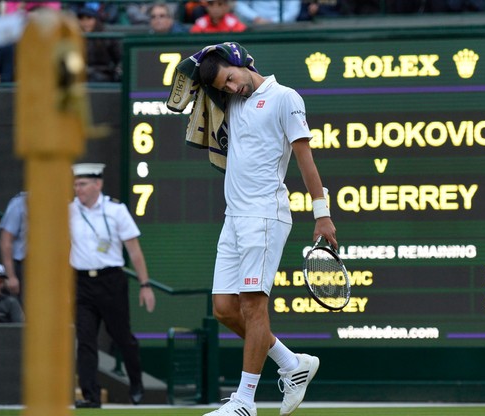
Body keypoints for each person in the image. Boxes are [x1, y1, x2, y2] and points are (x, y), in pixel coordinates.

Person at [195, 42, 337, 416]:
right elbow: (187, 77)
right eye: (223, 87)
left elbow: (306, 158)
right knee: (225, 309)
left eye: (230, 78)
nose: (231, 88)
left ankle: (244, 402)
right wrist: (209, 71)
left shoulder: (285, 97)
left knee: (253, 307)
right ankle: (292, 364)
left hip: (265, 215)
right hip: (234, 217)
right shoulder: (233, 101)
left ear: (239, 63)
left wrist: (321, 213)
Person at [69, 163, 156, 408]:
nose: (78, 189)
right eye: (76, 184)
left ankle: (137, 385)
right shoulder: (68, 211)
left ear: (98, 184)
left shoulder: (116, 210)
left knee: (122, 337)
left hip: (111, 281)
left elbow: (134, 250)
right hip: (81, 282)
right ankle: (90, 396)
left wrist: (145, 284)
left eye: (83, 184)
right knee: (85, 340)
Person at [76, 7, 122, 82]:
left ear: (96, 20)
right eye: (82, 19)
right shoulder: (73, 37)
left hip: (103, 74)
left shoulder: (107, 37)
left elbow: (120, 58)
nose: (85, 22)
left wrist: (118, 71)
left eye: (89, 18)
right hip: (80, 75)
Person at [0, 191, 27, 302]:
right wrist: (10, 276)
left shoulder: (64, 202)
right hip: (27, 267)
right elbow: (6, 240)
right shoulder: (20, 203)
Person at [234, 0, 301, 25]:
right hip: (255, 26)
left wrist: (273, 21)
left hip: (285, 28)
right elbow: (240, 4)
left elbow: (293, 11)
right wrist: (255, 17)